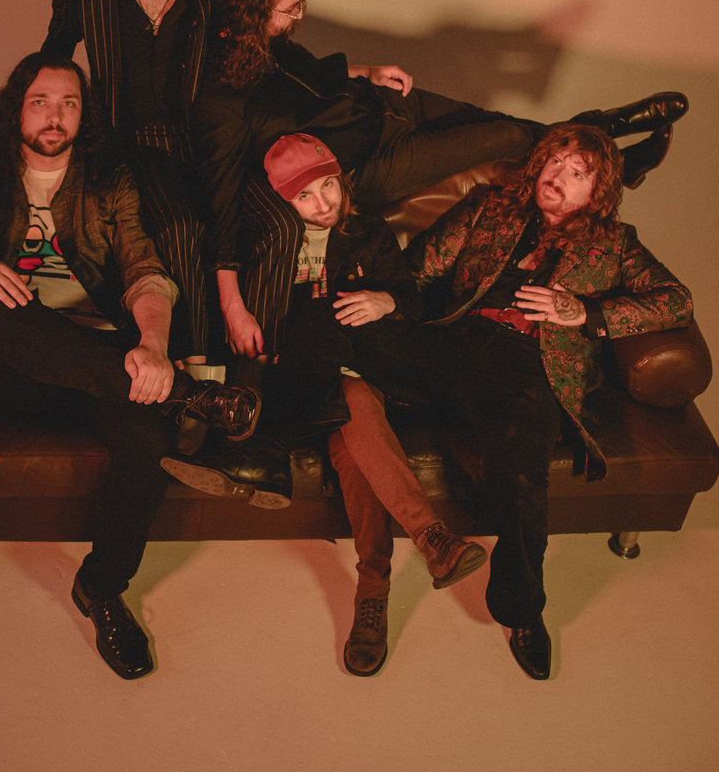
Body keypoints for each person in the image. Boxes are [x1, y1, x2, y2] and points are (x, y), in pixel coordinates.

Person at [0, 52, 260, 680]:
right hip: (18, 368)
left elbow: (146, 272)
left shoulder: (106, 180)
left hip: (98, 362)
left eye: (68, 103)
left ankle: (102, 588)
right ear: (17, 110)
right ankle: (188, 394)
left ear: (82, 114)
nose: (55, 115)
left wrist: (153, 347)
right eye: (40, 102)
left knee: (146, 438)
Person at [192, 0, 688, 365]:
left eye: (301, 4)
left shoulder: (271, 42)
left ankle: (604, 141)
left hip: (379, 108)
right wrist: (233, 306)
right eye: (290, 10)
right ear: (253, 13)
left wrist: (365, 72)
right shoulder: (222, 103)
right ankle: (608, 137)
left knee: (491, 119)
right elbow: (221, 206)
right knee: (505, 137)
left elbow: (312, 75)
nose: (299, 17)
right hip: (369, 165)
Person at [354, 122, 693, 679]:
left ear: (598, 192)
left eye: (577, 173)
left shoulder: (614, 243)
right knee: (349, 326)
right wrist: (388, 299)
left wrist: (585, 313)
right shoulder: (490, 207)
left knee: (520, 478)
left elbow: (676, 300)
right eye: (555, 161)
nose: (558, 176)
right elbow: (420, 268)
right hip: (453, 341)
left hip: (524, 364)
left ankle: (523, 612)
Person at [161, 133, 488, 676]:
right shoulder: (264, 242)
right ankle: (426, 544)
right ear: (281, 203)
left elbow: (410, 299)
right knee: (341, 386)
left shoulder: (365, 231)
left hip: (362, 371)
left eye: (329, 186)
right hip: (293, 381)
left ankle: (374, 583)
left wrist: (385, 299)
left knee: (354, 410)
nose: (323, 203)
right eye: (305, 196)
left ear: (342, 181)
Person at [42, 0, 326, 366]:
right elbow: (53, 58)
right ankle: (198, 374)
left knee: (281, 226)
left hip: (208, 140)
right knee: (181, 228)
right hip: (132, 144)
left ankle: (250, 381)